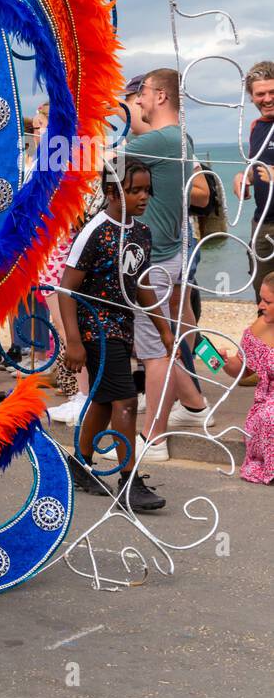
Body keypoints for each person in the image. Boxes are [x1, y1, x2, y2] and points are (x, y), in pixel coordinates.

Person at [60, 160, 172, 511]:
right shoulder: (94, 230)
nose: (143, 197)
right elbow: (66, 290)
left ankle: (79, 465)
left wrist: (164, 330)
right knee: (125, 401)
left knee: (106, 402)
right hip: (95, 328)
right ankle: (129, 481)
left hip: (122, 327)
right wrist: (74, 342)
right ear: (111, 192)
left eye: (146, 190)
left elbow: (141, 285)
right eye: (134, 190)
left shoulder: (142, 232)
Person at [126, 68, 210, 460]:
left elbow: (96, 158)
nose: (138, 100)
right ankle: (193, 405)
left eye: (141, 93)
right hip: (172, 253)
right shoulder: (183, 138)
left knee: (154, 350)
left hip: (153, 259)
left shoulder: (159, 139)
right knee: (170, 339)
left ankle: (152, 439)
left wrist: (121, 116)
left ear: (159, 95)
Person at [217, 272, 274, 483]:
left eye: (267, 301)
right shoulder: (259, 327)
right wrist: (224, 360)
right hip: (269, 401)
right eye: (261, 299)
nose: (260, 305)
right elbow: (242, 371)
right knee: (270, 416)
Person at [231, 61, 274, 298]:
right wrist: (243, 176)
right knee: (264, 298)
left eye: (272, 92)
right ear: (251, 96)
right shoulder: (256, 126)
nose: (267, 99)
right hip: (262, 225)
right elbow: (256, 165)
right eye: (260, 94)